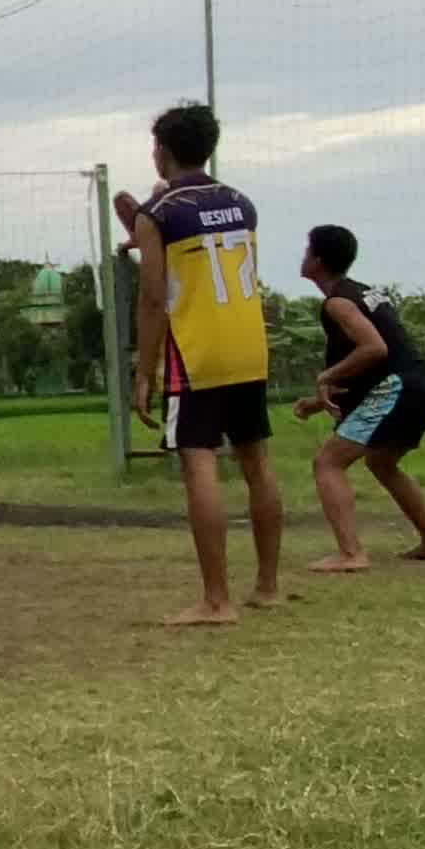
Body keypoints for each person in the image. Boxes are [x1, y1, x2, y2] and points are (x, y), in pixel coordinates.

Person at [124, 100, 284, 626]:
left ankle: (217, 600)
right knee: (257, 463)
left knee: (200, 463)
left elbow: (152, 298)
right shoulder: (243, 203)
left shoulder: (161, 213)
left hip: (196, 352)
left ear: (162, 152)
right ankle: (267, 586)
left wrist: (143, 371)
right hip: (248, 346)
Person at [296, 225, 425, 573]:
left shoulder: (337, 302)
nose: (303, 257)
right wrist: (317, 401)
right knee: (381, 462)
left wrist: (325, 376)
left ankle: (351, 554)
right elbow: (375, 364)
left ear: (318, 260)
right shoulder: (364, 292)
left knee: (328, 463)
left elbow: (375, 348)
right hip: (422, 384)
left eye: (307, 250)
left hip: (398, 388)